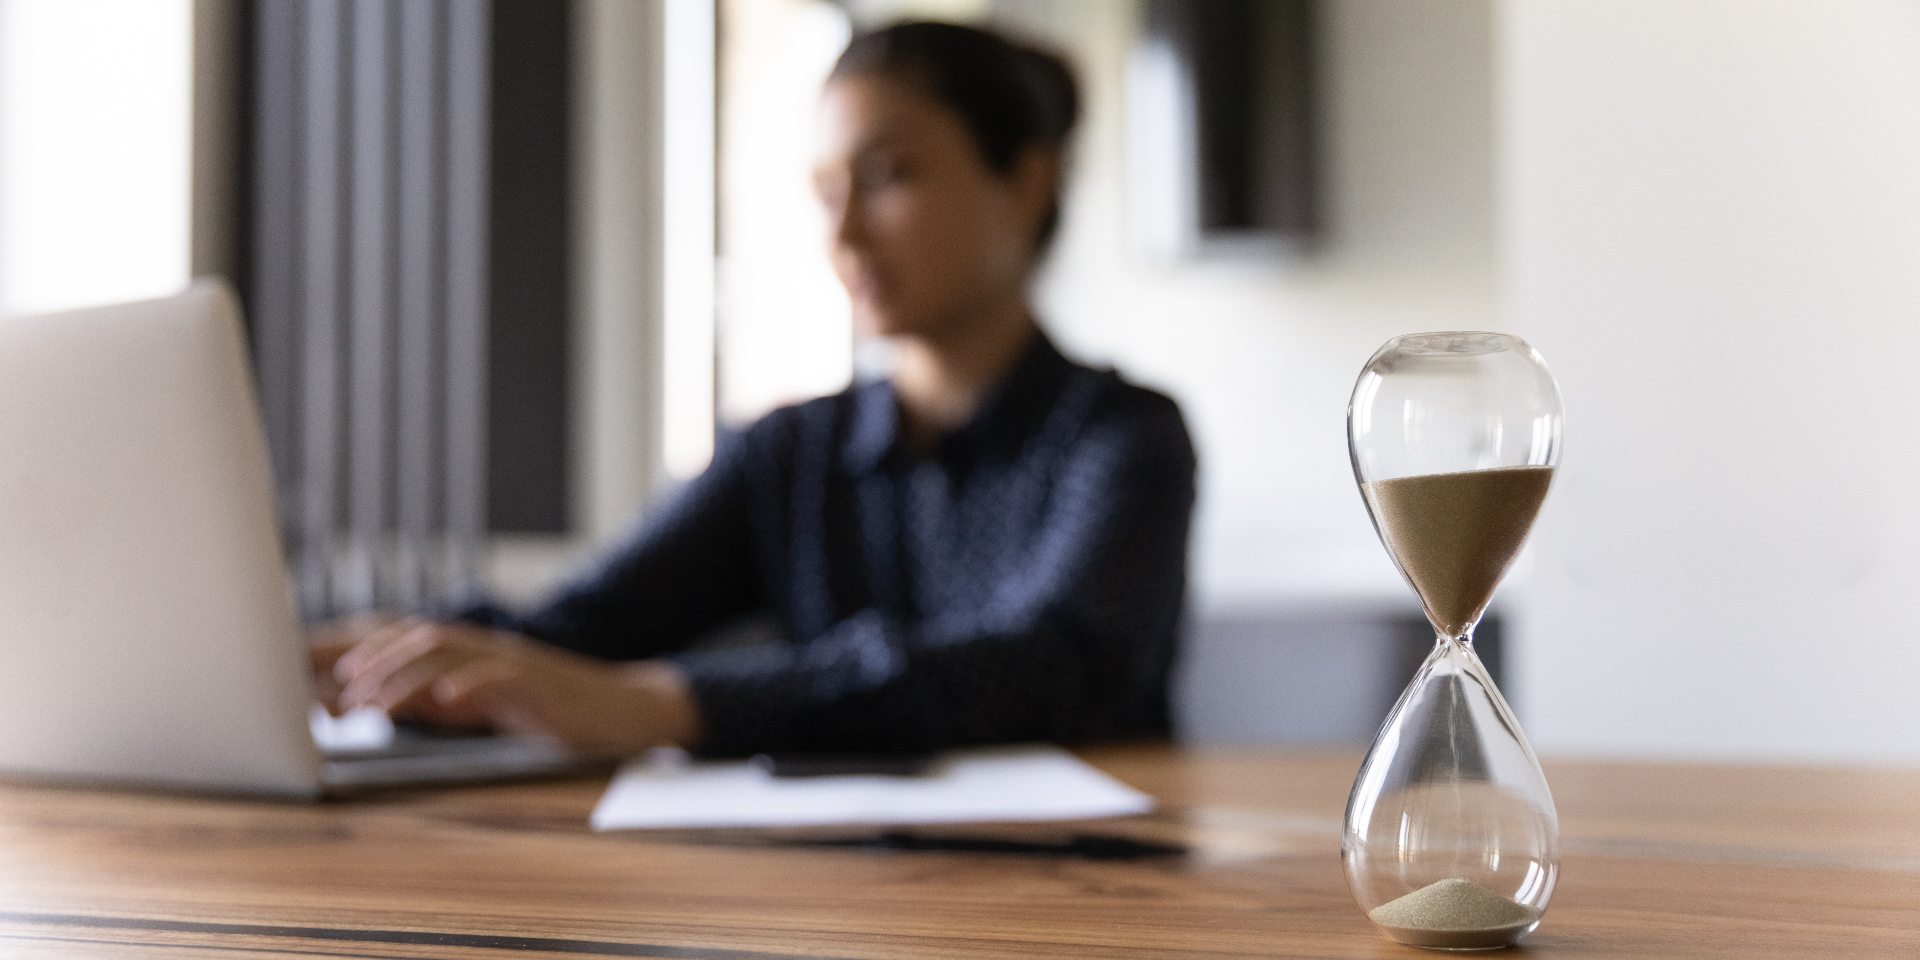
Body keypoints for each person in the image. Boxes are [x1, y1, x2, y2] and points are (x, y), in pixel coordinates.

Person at [315, 21, 1197, 758]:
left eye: (888, 176)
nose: (844, 231)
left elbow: (1057, 662)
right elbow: (586, 627)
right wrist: (376, 651)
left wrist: (668, 704)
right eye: (825, 193)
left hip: (1088, 893)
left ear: (1026, 179)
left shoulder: (1125, 437)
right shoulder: (788, 453)